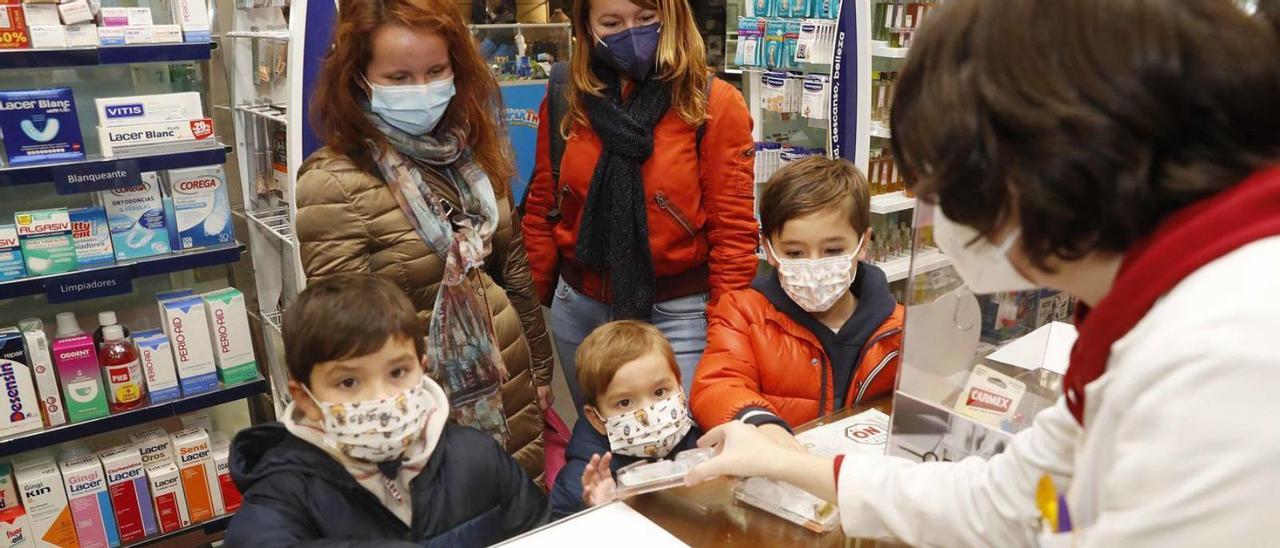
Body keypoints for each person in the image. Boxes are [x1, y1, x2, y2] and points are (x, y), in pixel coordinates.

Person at [687, 0, 1280, 545]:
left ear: (1053, 167)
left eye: (947, 182)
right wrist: (790, 464)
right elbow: (1023, 500)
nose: (939, 214)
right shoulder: (1144, 313)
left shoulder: (1228, 353)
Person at [296, 0, 554, 483]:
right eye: (398, 77)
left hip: (510, 390)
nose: (423, 90)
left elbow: (513, 274)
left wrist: (539, 373)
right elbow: (343, 340)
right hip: (418, 419)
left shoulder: (472, 154)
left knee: (518, 507)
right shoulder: (334, 183)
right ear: (360, 79)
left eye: (436, 71)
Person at [522, 0, 758, 409]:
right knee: (598, 441)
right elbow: (545, 204)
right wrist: (528, 328)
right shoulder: (567, 96)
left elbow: (733, 235)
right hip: (580, 308)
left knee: (674, 453)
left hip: (677, 313)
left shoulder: (711, 104)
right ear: (587, 27)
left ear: (672, 16)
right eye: (611, 23)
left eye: (646, 19)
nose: (630, 33)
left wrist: (727, 335)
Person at [226, 274, 547, 546]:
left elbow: (539, 531)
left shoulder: (477, 457)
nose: (380, 398)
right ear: (306, 398)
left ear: (421, 371)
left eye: (397, 373)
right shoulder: (284, 495)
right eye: (348, 381)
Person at [690, 157, 904, 446]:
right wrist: (760, 424)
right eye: (794, 253)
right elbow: (716, 385)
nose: (814, 265)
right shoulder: (743, 313)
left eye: (832, 250)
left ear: (863, 244)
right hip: (777, 469)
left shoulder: (897, 327)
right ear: (768, 249)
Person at [548, 321, 702, 518]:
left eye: (659, 392)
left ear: (680, 388)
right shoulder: (582, 481)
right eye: (625, 402)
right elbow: (560, 533)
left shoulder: (700, 444)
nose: (647, 413)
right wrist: (593, 512)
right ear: (596, 418)